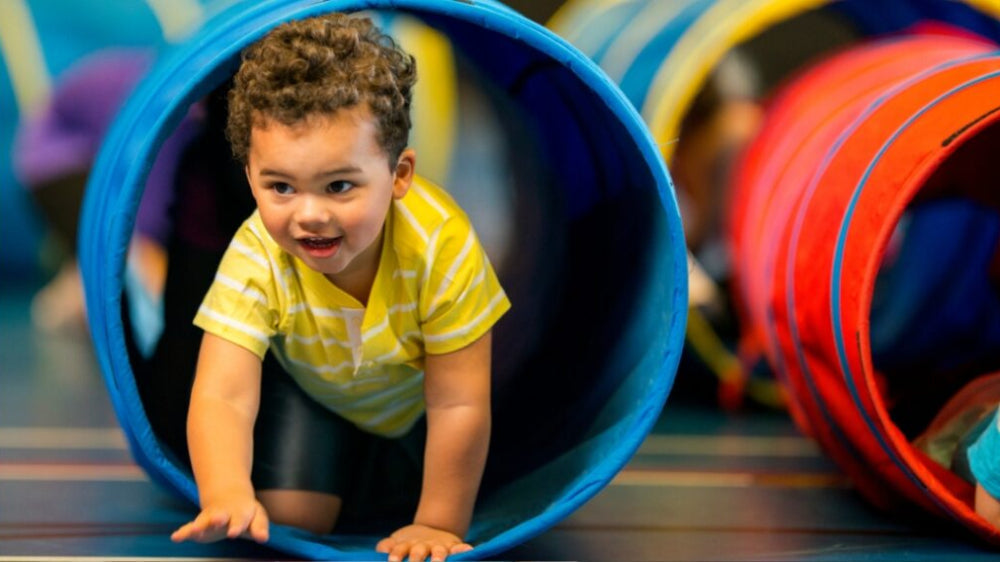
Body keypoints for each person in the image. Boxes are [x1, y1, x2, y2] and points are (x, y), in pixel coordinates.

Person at [167, 12, 510, 562]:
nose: (309, 215)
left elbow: (458, 401)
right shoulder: (258, 254)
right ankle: (347, 473)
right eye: (280, 186)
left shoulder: (440, 248)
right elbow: (223, 394)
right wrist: (226, 490)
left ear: (399, 175)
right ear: (249, 174)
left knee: (454, 490)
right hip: (316, 394)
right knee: (291, 524)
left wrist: (438, 523)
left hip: (416, 407)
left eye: (340, 185)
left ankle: (377, 475)